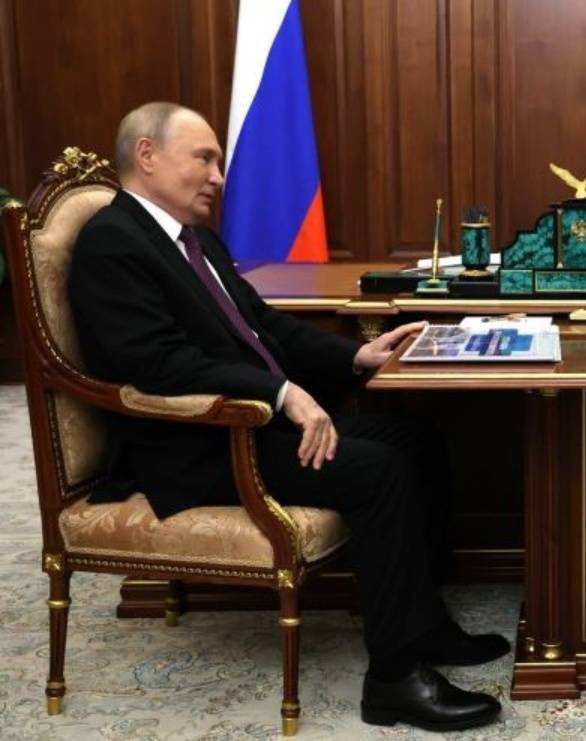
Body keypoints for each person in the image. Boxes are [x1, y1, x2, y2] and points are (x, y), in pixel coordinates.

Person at [68, 102, 505, 731]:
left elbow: (263, 326)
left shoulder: (195, 240)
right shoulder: (112, 243)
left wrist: (355, 357)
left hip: (252, 424)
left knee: (417, 439)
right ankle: (394, 680)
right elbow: (158, 364)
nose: (218, 177)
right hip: (197, 443)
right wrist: (280, 394)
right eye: (204, 158)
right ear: (147, 155)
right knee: (379, 472)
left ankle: (424, 625)